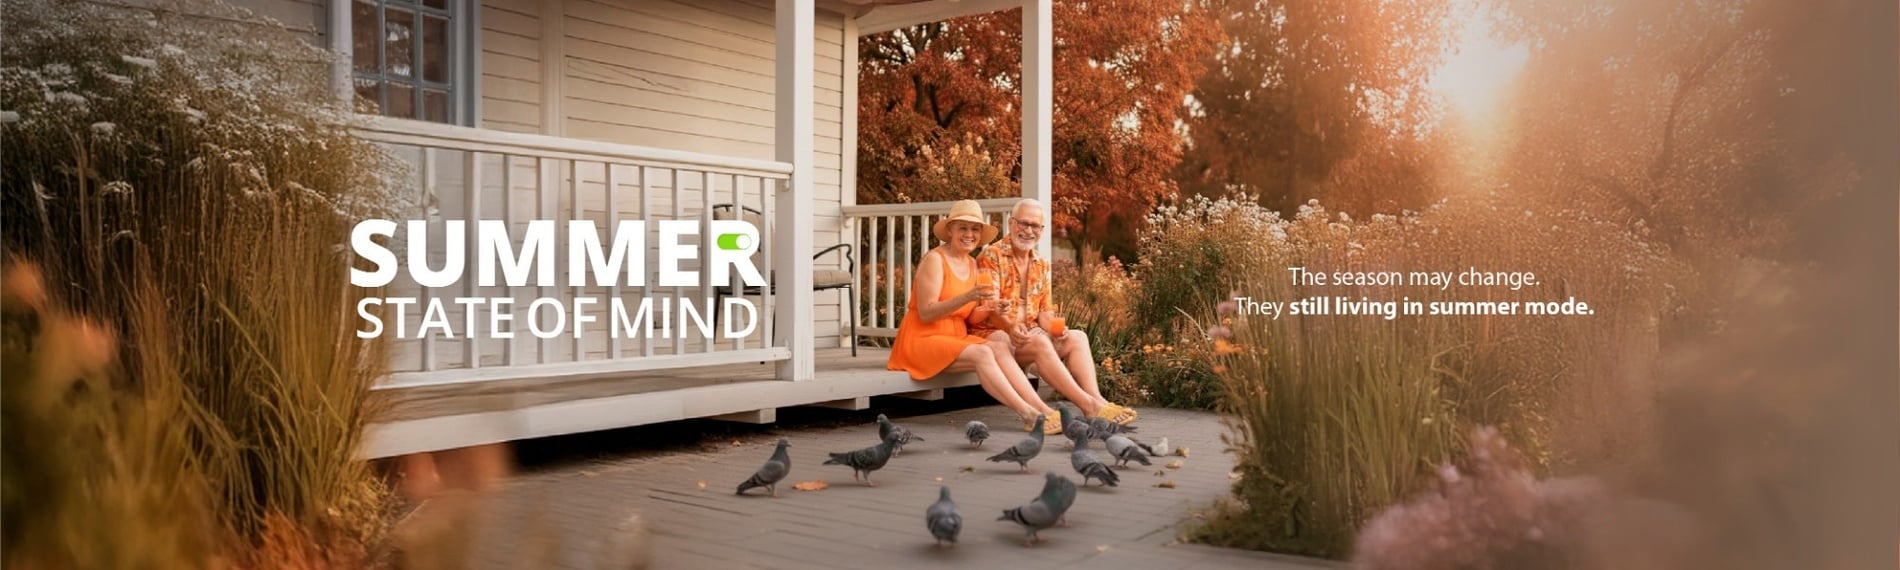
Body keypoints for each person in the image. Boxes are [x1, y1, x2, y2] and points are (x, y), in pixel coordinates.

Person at [887, 200, 1064, 434]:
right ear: (950, 230)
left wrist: (992, 308)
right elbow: (926, 312)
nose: (969, 234)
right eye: (963, 228)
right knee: (983, 353)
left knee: (999, 347)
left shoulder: (972, 263)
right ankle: (1028, 414)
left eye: (975, 229)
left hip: (955, 337)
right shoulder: (935, 260)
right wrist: (968, 296)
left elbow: (970, 317)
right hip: (922, 338)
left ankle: (1042, 408)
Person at [970, 199, 1137, 425]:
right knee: (1040, 342)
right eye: (1023, 223)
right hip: (996, 335)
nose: (1029, 231)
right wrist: (1011, 327)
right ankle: (1088, 405)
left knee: (1077, 337)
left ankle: (1097, 401)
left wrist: (1057, 330)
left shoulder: (1041, 264)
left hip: (1029, 334)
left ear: (1042, 230)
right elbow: (990, 308)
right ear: (1011, 223)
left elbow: (1045, 312)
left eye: (1035, 226)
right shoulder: (991, 256)